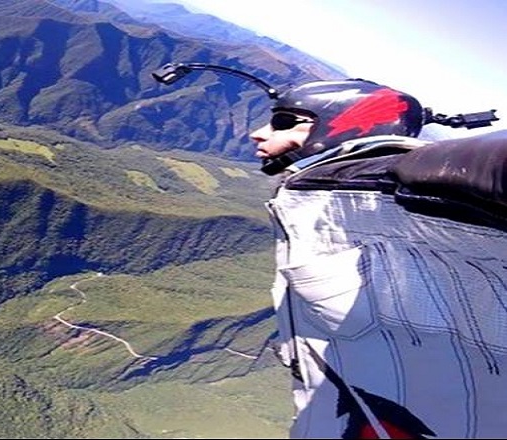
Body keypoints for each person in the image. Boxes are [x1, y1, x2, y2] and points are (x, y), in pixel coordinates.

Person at [153, 63, 507, 438]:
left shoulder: (379, 189)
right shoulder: (321, 194)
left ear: (345, 127)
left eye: (286, 122)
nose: (257, 133)